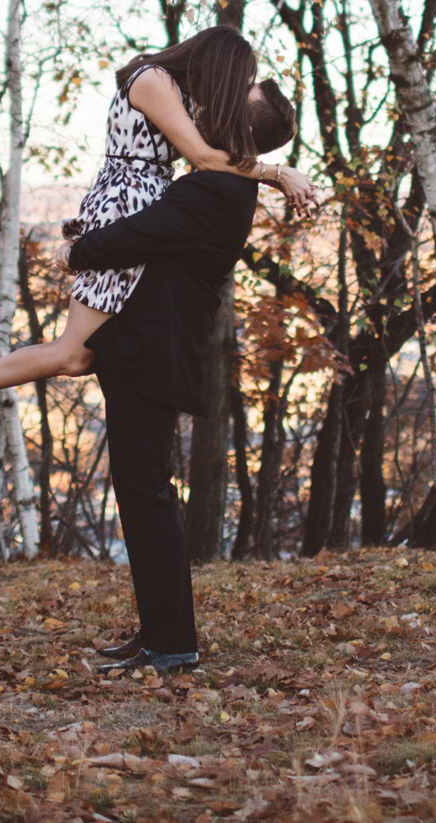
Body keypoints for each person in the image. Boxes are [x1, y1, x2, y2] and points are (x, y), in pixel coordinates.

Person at [0, 26, 313, 428]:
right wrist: (276, 173)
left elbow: (213, 153)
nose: (231, 92)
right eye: (236, 81)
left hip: (145, 204)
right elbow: (204, 159)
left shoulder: (182, 95)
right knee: (73, 353)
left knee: (83, 355)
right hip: (123, 206)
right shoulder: (154, 80)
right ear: (217, 64)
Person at [66, 80, 299, 674]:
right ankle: (158, 634)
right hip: (147, 349)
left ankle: (170, 643)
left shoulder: (215, 188)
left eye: (228, 101)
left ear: (238, 127)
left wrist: (76, 249)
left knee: (147, 493)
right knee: (141, 492)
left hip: (155, 354)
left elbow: (138, 234)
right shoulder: (221, 183)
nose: (210, 105)